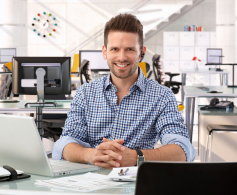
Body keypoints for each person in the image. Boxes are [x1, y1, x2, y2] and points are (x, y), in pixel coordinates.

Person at [52, 14, 196, 168]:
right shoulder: (85, 93)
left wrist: (137, 156)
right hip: (89, 183)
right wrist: (92, 154)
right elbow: (64, 145)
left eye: (130, 49)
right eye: (115, 49)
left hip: (137, 184)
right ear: (105, 51)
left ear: (141, 53)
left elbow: (183, 150)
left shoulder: (162, 96)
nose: (122, 57)